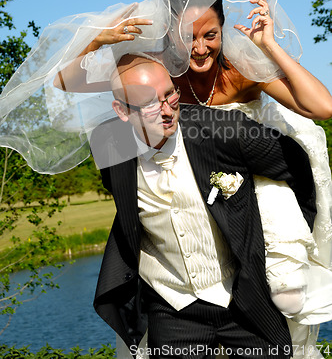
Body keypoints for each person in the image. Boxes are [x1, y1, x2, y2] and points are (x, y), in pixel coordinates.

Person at [91, 53, 317, 359]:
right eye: (149, 103)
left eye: (169, 94)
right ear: (121, 110)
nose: (166, 110)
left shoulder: (225, 131)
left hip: (243, 297)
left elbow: (295, 164)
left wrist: (293, 231)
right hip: (172, 304)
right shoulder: (108, 145)